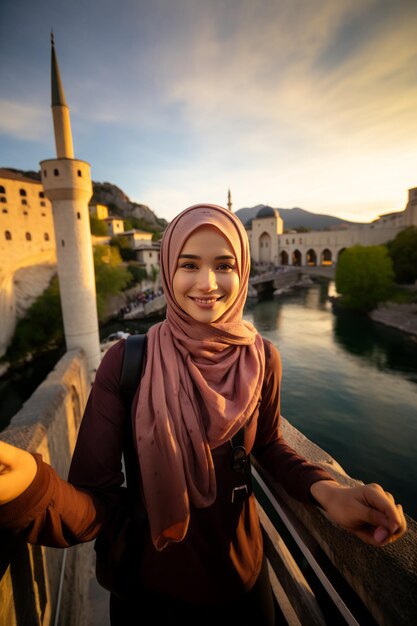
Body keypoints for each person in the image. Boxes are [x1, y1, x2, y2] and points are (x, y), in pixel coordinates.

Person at [0, 204, 407, 625]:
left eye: (225, 264)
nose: (208, 283)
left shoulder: (263, 358)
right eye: (189, 264)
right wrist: (32, 487)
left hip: (243, 583)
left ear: (243, 269)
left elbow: (267, 445)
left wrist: (328, 491)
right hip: (149, 592)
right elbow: (94, 503)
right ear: (167, 270)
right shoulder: (126, 363)